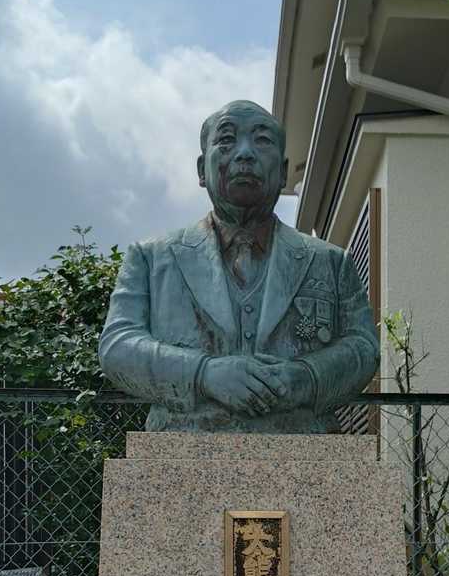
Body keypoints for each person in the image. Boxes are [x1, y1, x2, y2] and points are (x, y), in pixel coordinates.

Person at [99, 100, 380, 431]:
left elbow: (363, 347)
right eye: (226, 140)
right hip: (182, 441)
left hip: (305, 440)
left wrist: (305, 377)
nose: (245, 153)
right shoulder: (150, 259)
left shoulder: (331, 262)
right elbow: (117, 346)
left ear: (284, 172)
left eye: (262, 140)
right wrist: (202, 374)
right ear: (201, 169)